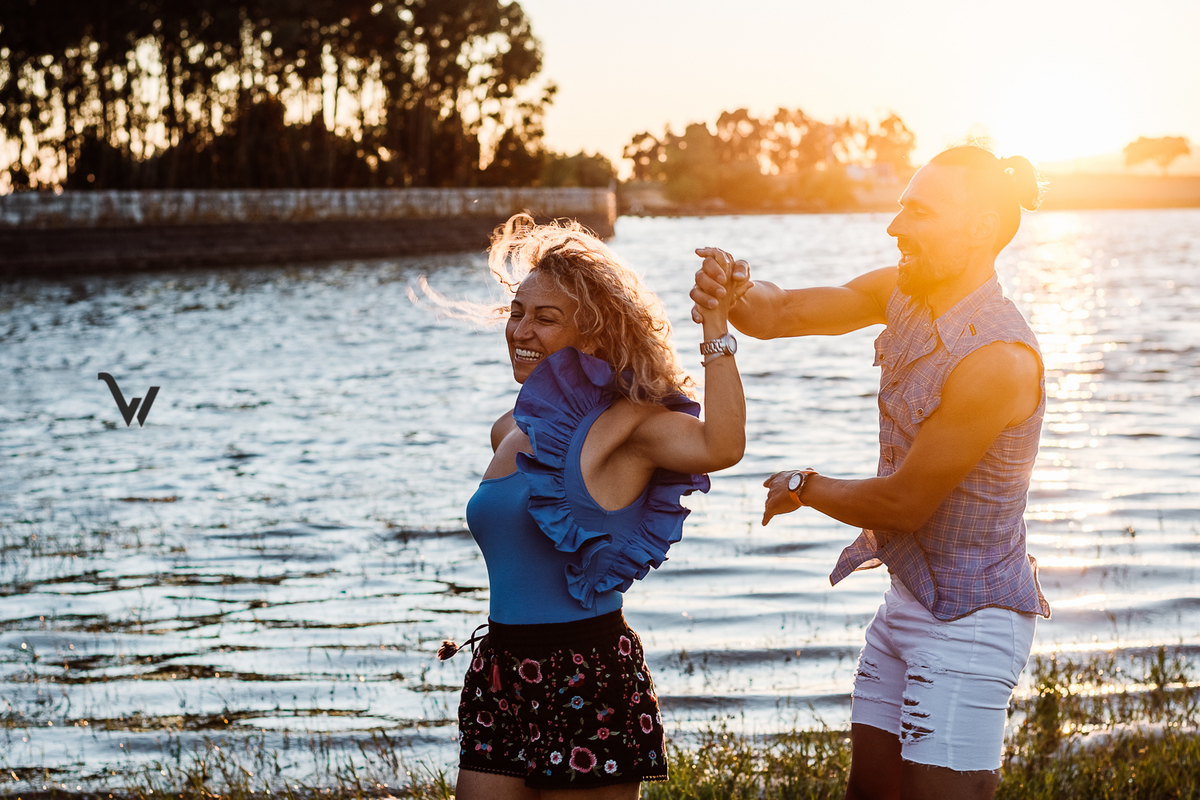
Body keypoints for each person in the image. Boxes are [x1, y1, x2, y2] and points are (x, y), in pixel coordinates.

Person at [690, 145, 1052, 800]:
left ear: (974, 229)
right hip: (908, 601)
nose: (895, 227)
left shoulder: (997, 358)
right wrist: (737, 291)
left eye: (918, 211)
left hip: (971, 626)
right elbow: (780, 314)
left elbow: (905, 503)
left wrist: (805, 486)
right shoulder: (904, 292)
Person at [436, 214, 748, 800]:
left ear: (596, 334)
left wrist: (715, 325)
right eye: (517, 312)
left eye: (545, 318)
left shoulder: (629, 424)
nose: (521, 330)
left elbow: (721, 445)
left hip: (585, 671)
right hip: (500, 669)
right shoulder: (510, 426)